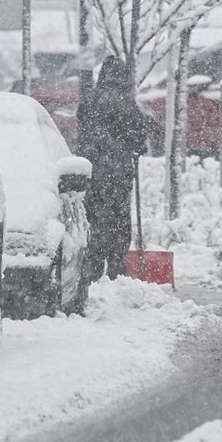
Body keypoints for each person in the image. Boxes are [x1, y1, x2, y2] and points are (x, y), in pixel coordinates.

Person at [76, 57, 148, 281]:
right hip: (118, 174)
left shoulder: (90, 100)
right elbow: (138, 138)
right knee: (118, 220)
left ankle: (93, 265)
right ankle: (116, 266)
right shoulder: (127, 104)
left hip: (93, 173)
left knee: (94, 219)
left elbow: (82, 128)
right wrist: (138, 144)